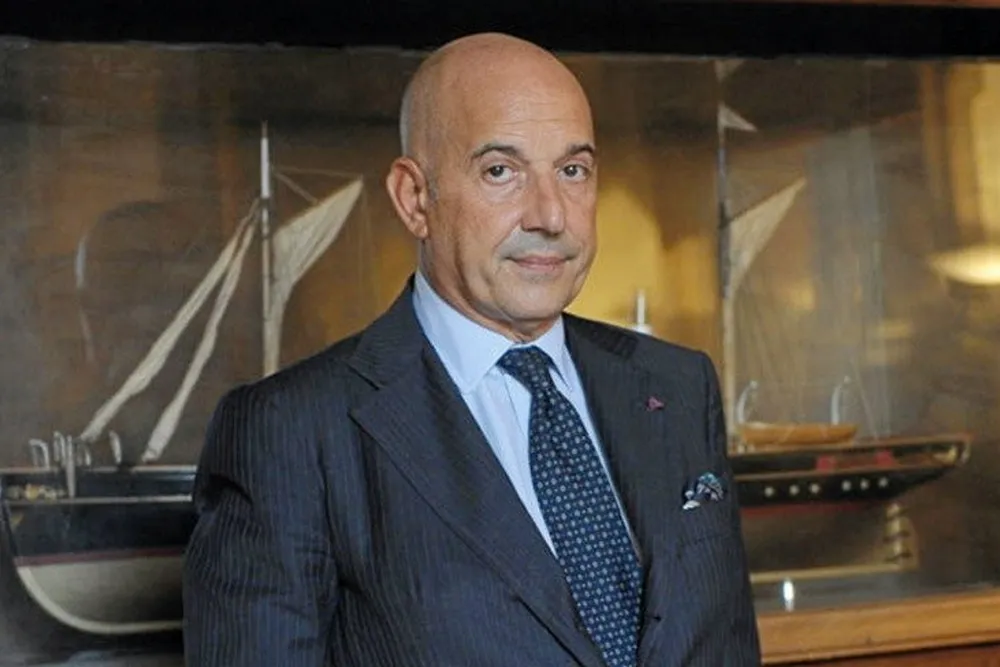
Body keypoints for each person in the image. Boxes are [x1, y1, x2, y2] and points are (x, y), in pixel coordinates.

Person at [183, 32, 761, 666]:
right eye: (500, 172)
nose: (551, 216)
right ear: (415, 199)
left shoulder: (679, 386)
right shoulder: (289, 432)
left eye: (572, 171)